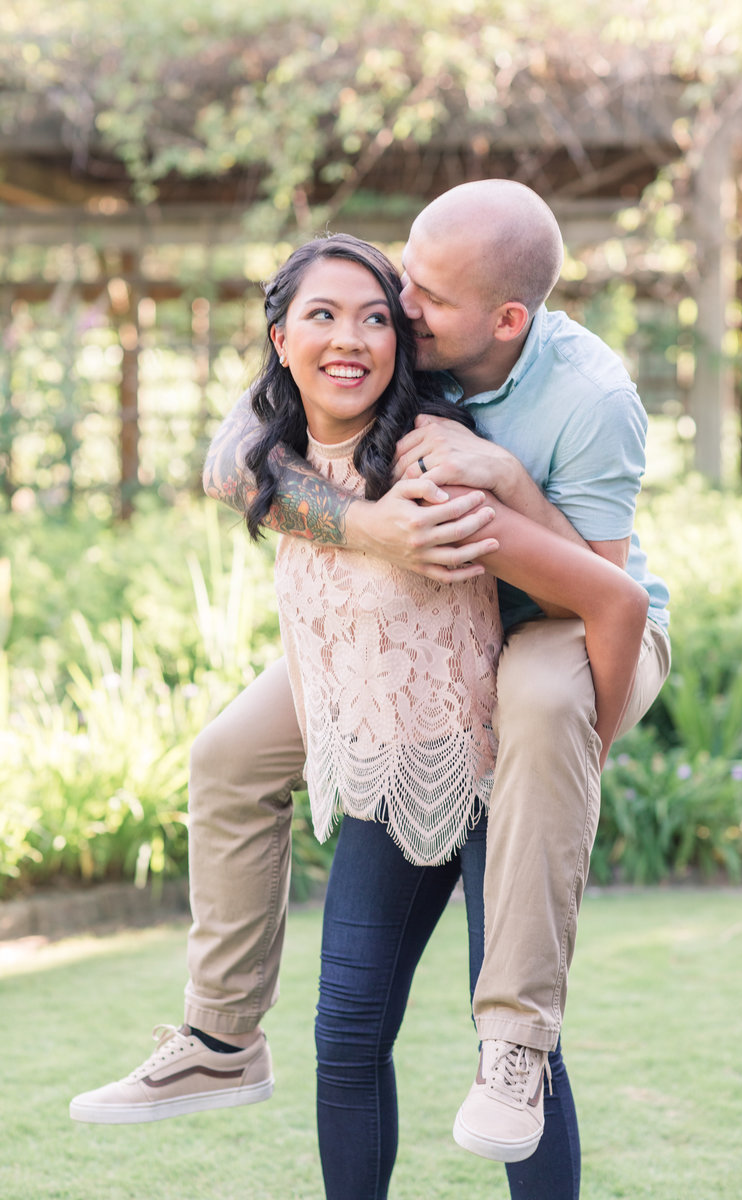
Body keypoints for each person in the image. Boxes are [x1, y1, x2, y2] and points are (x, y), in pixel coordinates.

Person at [70, 182, 670, 1189]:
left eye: (413, 298)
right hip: (407, 668)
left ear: (503, 320)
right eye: (396, 283)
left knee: (535, 710)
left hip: (550, 637)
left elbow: (602, 600)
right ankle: (219, 1035)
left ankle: (510, 1040)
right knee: (226, 762)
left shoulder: (577, 401)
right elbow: (235, 457)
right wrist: (366, 527)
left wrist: (563, 767)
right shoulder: (380, 365)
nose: (391, 308)